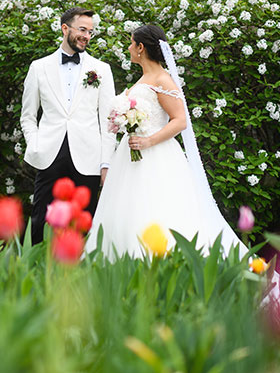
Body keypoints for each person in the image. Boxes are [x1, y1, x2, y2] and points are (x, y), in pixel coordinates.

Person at [85, 24, 248, 259]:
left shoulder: (163, 79)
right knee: (128, 211)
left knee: (156, 208)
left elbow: (180, 120)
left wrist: (149, 141)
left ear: (141, 47)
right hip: (130, 156)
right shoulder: (144, 77)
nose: (129, 47)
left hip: (156, 155)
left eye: (131, 43)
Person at [20, 7, 116, 245]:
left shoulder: (101, 69)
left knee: (84, 223)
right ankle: (37, 272)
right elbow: (28, 116)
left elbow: (108, 121)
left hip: (88, 157)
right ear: (65, 28)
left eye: (91, 32)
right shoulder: (38, 67)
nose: (87, 36)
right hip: (49, 154)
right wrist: (35, 144)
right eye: (82, 29)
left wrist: (106, 163)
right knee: (40, 220)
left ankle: (81, 276)